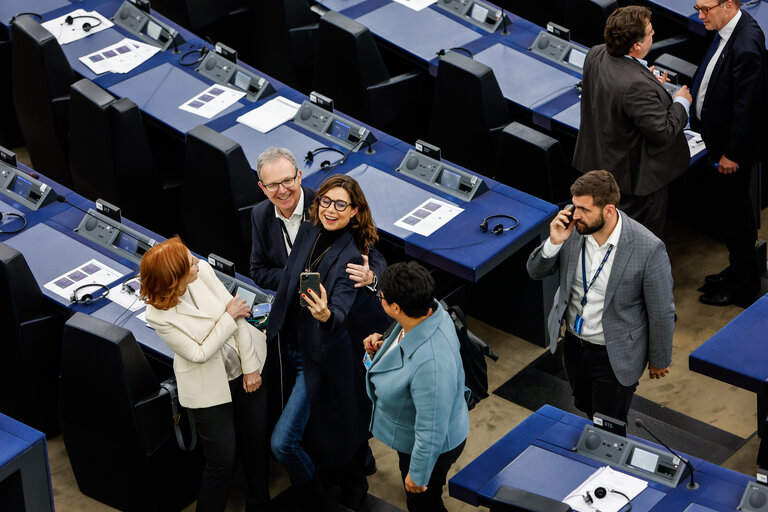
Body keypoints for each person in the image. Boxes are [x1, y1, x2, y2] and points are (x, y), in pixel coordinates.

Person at [267, 175, 387, 511]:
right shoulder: (308, 231)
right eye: (325, 201)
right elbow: (289, 280)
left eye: (340, 204)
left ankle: (320, 500)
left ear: (355, 212)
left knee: (284, 443)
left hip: (316, 357)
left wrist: (324, 316)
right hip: (284, 347)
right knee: (314, 432)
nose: (330, 210)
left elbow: (340, 314)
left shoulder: (354, 255)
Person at [527, 171, 674, 424]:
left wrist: (659, 358)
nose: (576, 214)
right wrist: (553, 242)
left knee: (608, 424)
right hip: (574, 345)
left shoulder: (648, 248)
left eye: (584, 209)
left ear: (608, 210)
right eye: (574, 206)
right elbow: (535, 271)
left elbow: (661, 311)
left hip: (614, 353)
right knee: (583, 404)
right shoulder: (571, 228)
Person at [140, 236, 269, 512]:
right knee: (222, 461)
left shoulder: (205, 273)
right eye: (190, 262)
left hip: (245, 364)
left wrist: (250, 368)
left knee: (255, 446)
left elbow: (241, 318)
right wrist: (227, 318)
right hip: (207, 387)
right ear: (175, 277)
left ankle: (260, 504)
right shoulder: (158, 315)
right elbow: (198, 354)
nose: (197, 262)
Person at [572, 6, 691, 237]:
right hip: (634, 182)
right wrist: (680, 103)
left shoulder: (595, 54)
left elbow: (619, 91)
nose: (654, 32)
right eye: (649, 32)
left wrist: (649, 80)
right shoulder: (636, 85)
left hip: (600, 162)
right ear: (636, 45)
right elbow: (664, 131)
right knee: (637, 244)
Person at [363, 261, 469, 512]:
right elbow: (405, 343)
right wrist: (384, 346)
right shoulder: (427, 311)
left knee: (424, 504)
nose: (381, 299)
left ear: (396, 307)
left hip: (429, 446)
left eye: (382, 297)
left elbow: (431, 429)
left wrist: (419, 475)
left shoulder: (431, 365)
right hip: (414, 435)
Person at [690, 0, 767, 306]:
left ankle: (743, 286)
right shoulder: (723, 26)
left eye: (705, 8)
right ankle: (735, 271)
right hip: (716, 143)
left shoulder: (747, 44)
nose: (699, 15)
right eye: (697, 6)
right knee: (728, 214)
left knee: (738, 219)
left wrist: (732, 154)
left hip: (732, 154)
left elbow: (747, 107)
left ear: (729, 5)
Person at [249, 146, 385, 291]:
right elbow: (258, 271)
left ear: (299, 177)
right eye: (273, 185)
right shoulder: (259, 214)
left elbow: (375, 258)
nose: (282, 190)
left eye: (288, 180)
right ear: (262, 188)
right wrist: (298, 280)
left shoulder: (329, 208)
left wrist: (371, 277)